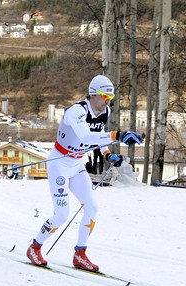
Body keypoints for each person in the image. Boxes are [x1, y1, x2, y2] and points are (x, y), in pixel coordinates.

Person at [26, 75, 144, 272]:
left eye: (110, 97)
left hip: (77, 163)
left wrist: (108, 154)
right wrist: (118, 135)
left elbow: (98, 138)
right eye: (105, 96)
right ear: (93, 94)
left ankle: (80, 254)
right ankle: (34, 247)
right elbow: (86, 136)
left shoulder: (104, 111)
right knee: (62, 214)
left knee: (92, 207)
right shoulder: (76, 111)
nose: (108, 101)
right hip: (59, 164)